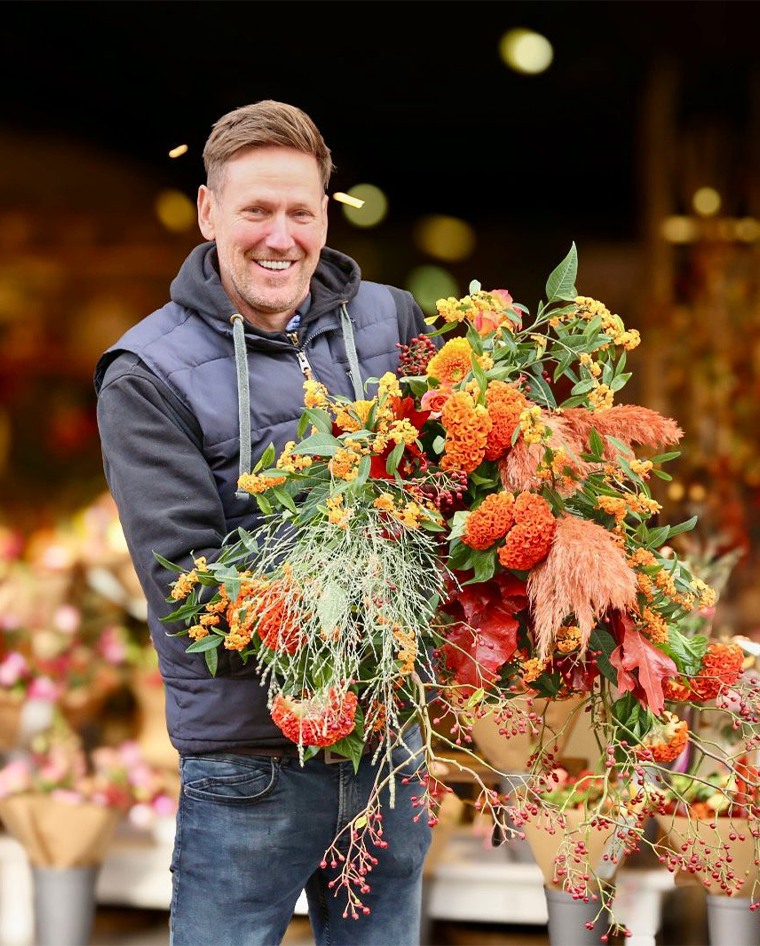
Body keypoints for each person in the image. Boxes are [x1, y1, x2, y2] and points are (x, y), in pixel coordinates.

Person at [94, 101, 433, 946]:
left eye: (300, 212)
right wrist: (346, 617)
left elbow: (448, 493)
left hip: (387, 749)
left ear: (327, 215)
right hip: (250, 762)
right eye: (255, 211)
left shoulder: (393, 320)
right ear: (209, 212)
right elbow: (186, 585)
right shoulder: (147, 373)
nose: (280, 238)